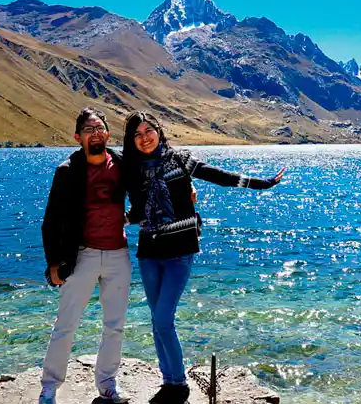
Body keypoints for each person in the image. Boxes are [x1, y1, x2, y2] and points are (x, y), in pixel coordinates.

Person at [122, 111, 284, 404]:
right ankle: (168, 379)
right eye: (137, 134)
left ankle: (178, 383)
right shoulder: (131, 171)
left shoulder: (180, 160)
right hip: (149, 252)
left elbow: (218, 176)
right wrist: (117, 219)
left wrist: (262, 183)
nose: (144, 138)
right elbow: (137, 210)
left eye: (149, 131)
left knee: (163, 319)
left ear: (159, 132)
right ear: (131, 140)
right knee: (156, 320)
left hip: (180, 251)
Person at [38, 107, 131, 404]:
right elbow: (51, 218)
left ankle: (107, 385)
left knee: (114, 325)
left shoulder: (121, 164)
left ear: (108, 133)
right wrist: (53, 261)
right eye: (89, 130)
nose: (95, 133)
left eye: (100, 128)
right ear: (78, 137)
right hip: (82, 254)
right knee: (66, 323)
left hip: (118, 254)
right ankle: (50, 387)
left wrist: (187, 190)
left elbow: (149, 188)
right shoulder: (66, 171)